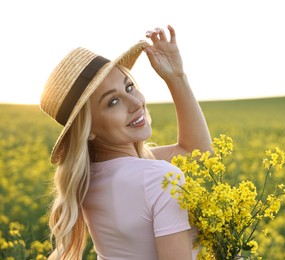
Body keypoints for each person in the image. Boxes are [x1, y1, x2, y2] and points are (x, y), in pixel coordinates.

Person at [40, 25, 211, 260]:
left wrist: (176, 75)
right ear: (88, 130)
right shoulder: (158, 178)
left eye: (129, 87)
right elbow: (200, 156)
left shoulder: (90, 176)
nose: (135, 102)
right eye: (112, 102)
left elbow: (196, 152)